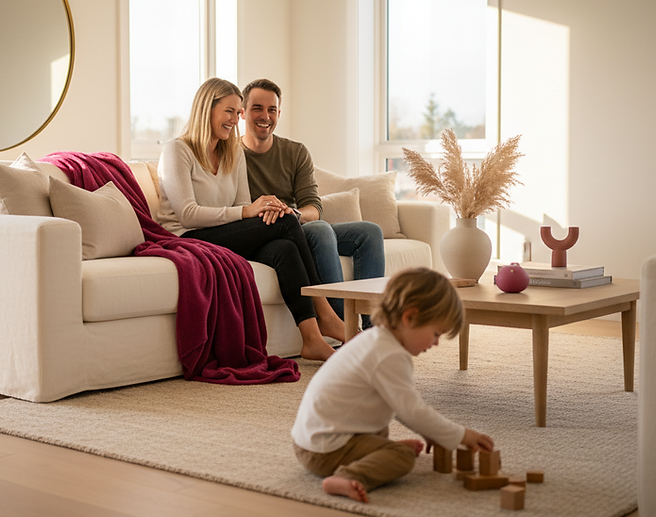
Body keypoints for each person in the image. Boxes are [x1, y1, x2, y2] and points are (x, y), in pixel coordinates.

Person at [157, 77, 345, 361]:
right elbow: (188, 213)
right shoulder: (178, 150)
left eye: (237, 112)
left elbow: (242, 203)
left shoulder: (232, 151)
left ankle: (312, 339)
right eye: (230, 111)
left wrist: (257, 211)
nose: (236, 119)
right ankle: (326, 312)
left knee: (284, 247)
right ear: (208, 109)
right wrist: (248, 212)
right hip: (187, 238)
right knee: (287, 221)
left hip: (223, 233)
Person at [291, 267, 495, 503]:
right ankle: (348, 476)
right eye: (436, 333)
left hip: (311, 439)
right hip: (324, 450)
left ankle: (376, 447)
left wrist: (431, 432)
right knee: (401, 458)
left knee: (378, 416)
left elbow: (394, 403)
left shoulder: (375, 339)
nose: (436, 343)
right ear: (409, 318)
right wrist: (461, 435)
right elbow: (411, 410)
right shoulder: (390, 355)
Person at [239, 78, 385, 330]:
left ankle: (374, 329)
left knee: (369, 232)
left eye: (272, 109)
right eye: (257, 108)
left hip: (295, 224)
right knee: (320, 229)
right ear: (243, 112)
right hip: (266, 234)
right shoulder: (231, 155)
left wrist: (292, 213)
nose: (265, 116)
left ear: (279, 113)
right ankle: (342, 328)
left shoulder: (295, 152)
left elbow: (313, 208)